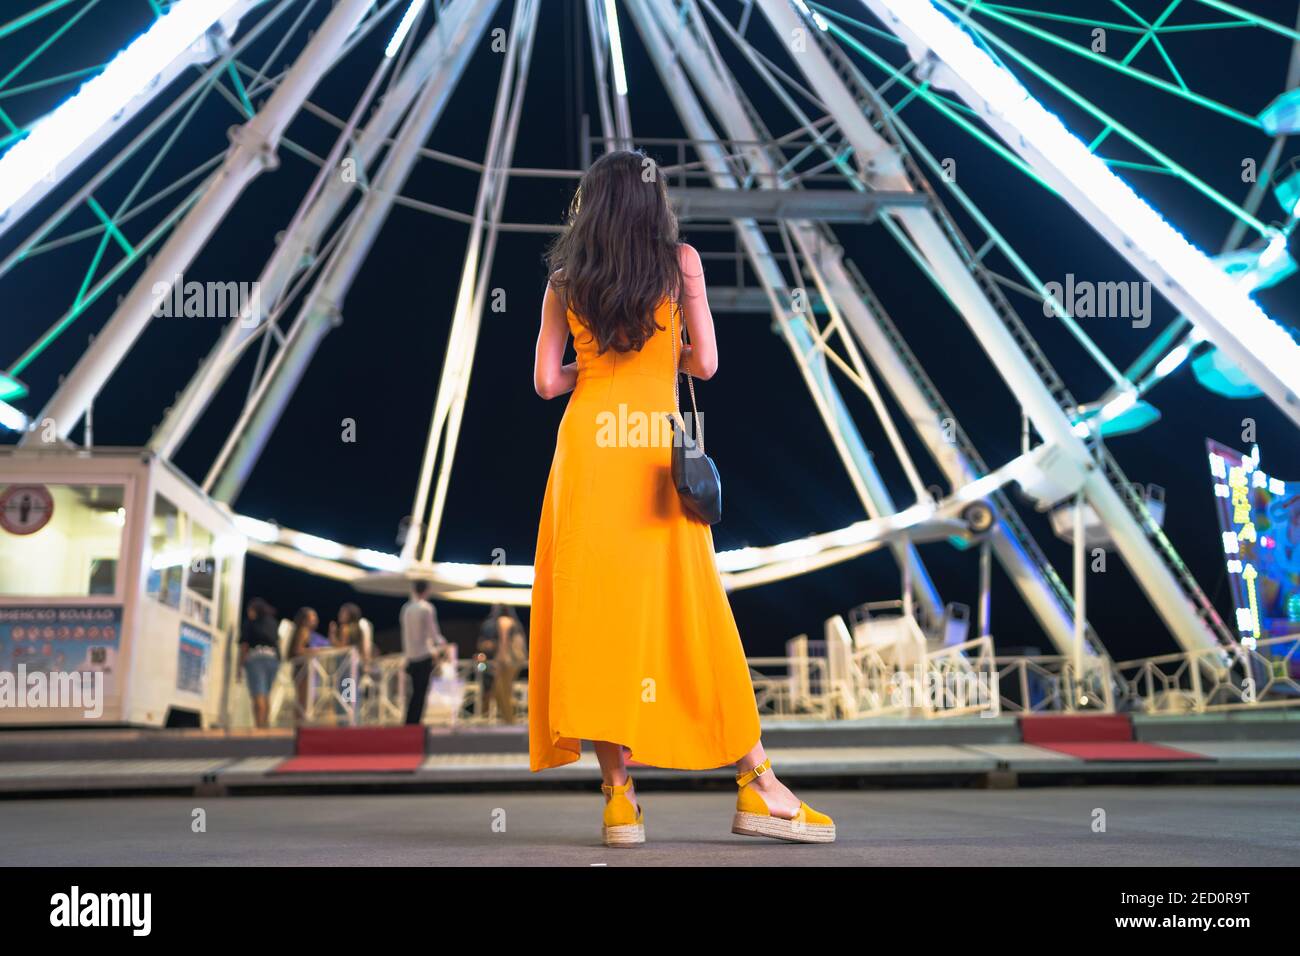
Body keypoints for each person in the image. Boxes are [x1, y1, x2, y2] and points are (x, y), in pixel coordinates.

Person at [530, 149, 835, 846]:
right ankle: (759, 785)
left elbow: (548, 383)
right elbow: (706, 363)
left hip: (587, 454)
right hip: (652, 453)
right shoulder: (681, 265)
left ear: (591, 205)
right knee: (694, 613)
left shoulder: (564, 280)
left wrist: (596, 364)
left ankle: (618, 799)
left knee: (597, 624)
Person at [400, 581, 446, 726]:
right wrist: (442, 645)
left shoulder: (406, 609)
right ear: (426, 591)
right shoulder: (427, 608)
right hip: (424, 655)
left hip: (410, 656)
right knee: (420, 692)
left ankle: (409, 720)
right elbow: (434, 634)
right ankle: (414, 722)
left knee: (413, 692)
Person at [478, 604, 527, 723]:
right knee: (504, 689)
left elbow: (503, 642)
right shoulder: (514, 622)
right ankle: (508, 718)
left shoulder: (503, 621)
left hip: (508, 661)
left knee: (502, 690)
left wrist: (500, 659)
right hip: (516, 660)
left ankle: (509, 720)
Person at [238, 597, 280, 729]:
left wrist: (239, 667)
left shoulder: (250, 623)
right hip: (273, 659)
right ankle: (266, 725)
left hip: (256, 658)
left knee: (258, 694)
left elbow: (244, 645)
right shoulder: (272, 623)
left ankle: (259, 727)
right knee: (266, 694)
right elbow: (278, 642)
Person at [288, 607, 328, 724]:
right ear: (305, 619)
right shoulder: (303, 631)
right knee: (303, 699)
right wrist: (313, 651)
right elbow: (297, 650)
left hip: (303, 668)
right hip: (302, 669)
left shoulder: (306, 632)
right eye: (313, 617)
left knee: (304, 699)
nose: (315, 619)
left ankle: (301, 723)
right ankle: (300, 724)